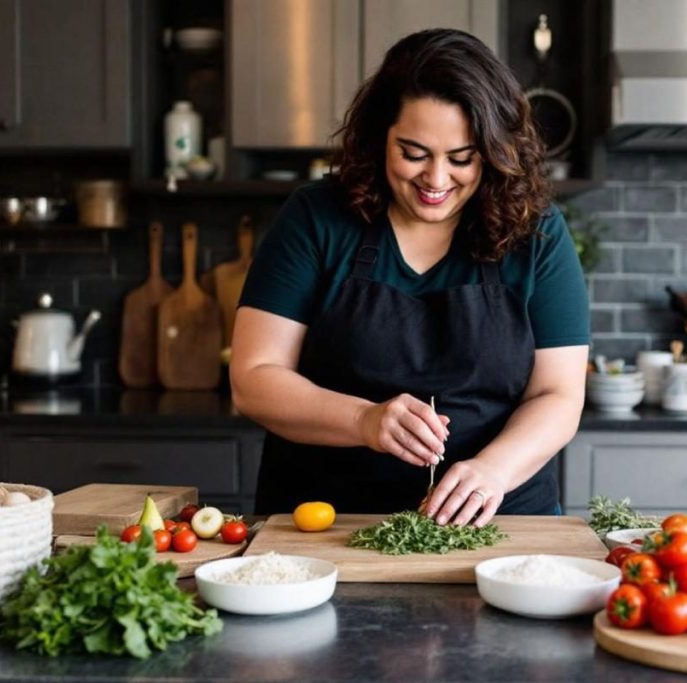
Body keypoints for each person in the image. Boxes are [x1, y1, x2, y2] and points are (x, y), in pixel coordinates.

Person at [230, 28, 589, 526]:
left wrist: (493, 470)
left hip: (499, 523)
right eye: (414, 153)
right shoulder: (316, 219)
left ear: (494, 150)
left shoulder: (538, 231)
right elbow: (253, 379)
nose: (436, 180)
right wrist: (364, 419)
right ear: (380, 136)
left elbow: (560, 395)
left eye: (462, 159)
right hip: (326, 523)